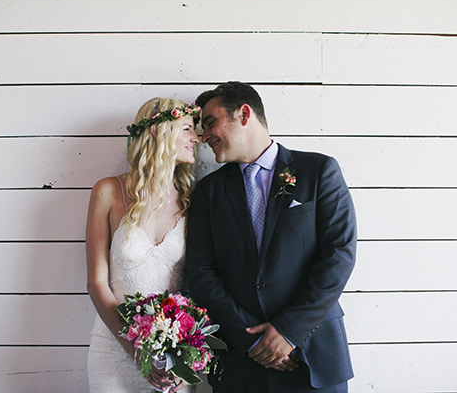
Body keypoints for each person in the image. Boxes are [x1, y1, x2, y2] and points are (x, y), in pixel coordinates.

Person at [185, 82, 357, 393]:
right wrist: (252, 340)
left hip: (313, 357)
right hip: (241, 363)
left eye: (209, 122)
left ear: (244, 113)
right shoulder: (208, 192)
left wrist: (289, 331)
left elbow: (339, 255)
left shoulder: (318, 171)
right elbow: (200, 273)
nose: (203, 136)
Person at [86, 98, 200, 393]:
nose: (196, 138)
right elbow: (97, 282)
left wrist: (181, 358)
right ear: (159, 133)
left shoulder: (194, 201)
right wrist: (135, 351)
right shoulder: (108, 191)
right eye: (187, 129)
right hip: (113, 349)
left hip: (173, 357)